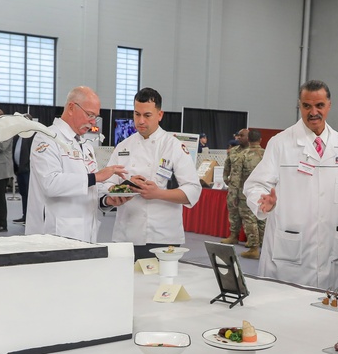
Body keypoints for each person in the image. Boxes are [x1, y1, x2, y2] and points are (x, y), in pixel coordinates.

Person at [243, 80, 338, 289]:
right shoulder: (281, 142)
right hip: (288, 252)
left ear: (329, 105)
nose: (313, 112)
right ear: (299, 106)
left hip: (328, 251)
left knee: (321, 313)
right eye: (307, 106)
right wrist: (263, 202)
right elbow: (254, 185)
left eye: (319, 105)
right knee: (281, 311)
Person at [103, 87, 201, 258]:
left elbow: (193, 190)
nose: (140, 121)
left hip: (162, 236)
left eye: (147, 115)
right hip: (126, 234)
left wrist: (158, 193)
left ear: (160, 115)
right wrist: (120, 191)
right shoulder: (123, 146)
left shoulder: (173, 146)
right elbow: (107, 183)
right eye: (136, 114)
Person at [27, 86, 126, 242]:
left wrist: (108, 198)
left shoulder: (85, 146)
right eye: (90, 115)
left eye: (96, 117)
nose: (93, 122)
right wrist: (96, 177)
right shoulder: (46, 138)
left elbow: (91, 187)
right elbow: (50, 183)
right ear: (72, 107)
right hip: (55, 233)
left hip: (86, 232)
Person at [236, 129, 266, 259]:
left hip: (246, 193)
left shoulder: (242, 155)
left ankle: (254, 248)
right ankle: (265, 248)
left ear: (248, 140)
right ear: (260, 140)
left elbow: (236, 177)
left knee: (249, 220)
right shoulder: (267, 154)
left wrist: (234, 194)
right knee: (263, 220)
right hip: (266, 193)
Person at [220, 128, 248, 245]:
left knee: (247, 214)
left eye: (242, 136)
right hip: (233, 187)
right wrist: (225, 178)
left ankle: (252, 240)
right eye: (238, 136)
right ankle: (233, 236)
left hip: (246, 189)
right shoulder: (234, 151)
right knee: (233, 212)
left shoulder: (253, 152)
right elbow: (227, 165)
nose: (239, 138)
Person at [12, 115, 35, 224]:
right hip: (19, 170)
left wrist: (28, 166)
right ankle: (25, 215)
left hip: (28, 170)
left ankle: (30, 217)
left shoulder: (33, 136)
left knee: (30, 195)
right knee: (23, 194)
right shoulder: (17, 136)